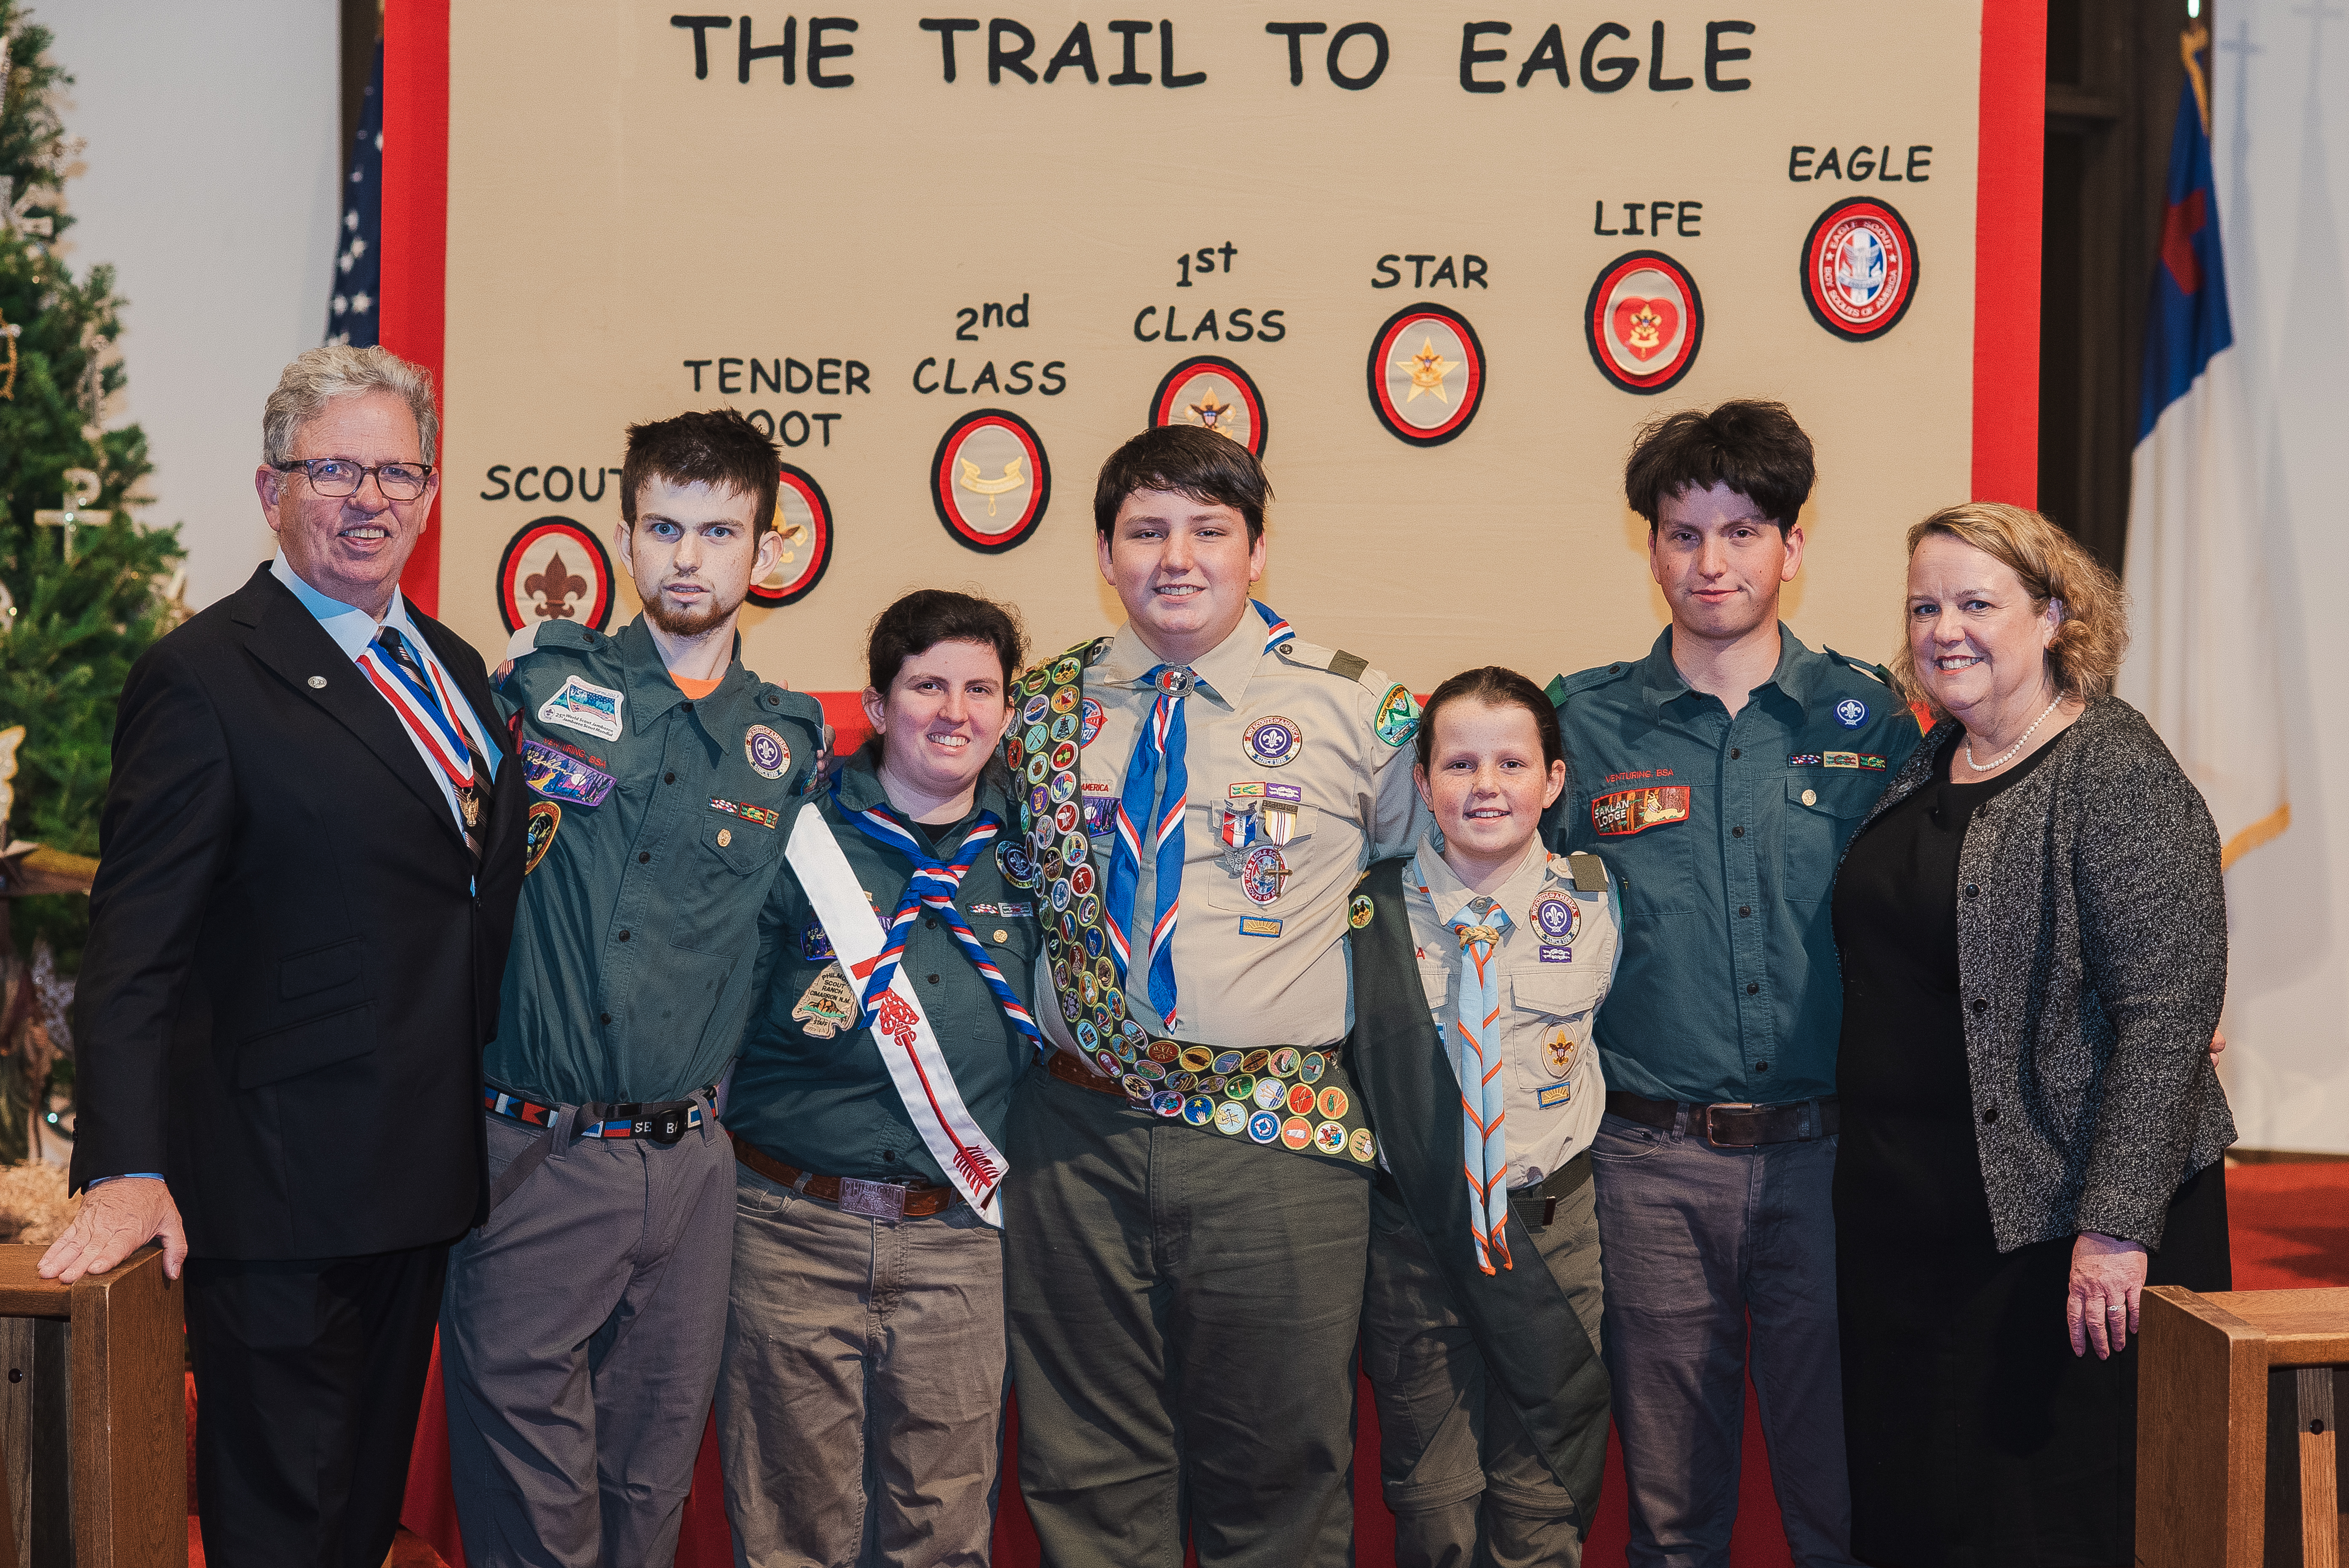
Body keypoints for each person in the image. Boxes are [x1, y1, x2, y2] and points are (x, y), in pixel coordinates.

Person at [42, 346, 524, 1568]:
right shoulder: (203, 677)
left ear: (429, 492)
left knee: (357, 1523)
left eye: (396, 472)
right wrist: (127, 1166)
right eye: (335, 471)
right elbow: (133, 951)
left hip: (417, 1178)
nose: (369, 499)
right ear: (272, 491)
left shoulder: (455, 670)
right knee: (280, 1526)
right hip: (276, 1193)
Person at [1000, 424, 1425, 1568]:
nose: (1174, 558)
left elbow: (1441, 899)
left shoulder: (1364, 713)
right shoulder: (1038, 711)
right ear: (1103, 551)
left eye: (1207, 529)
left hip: (1273, 1142)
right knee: (1084, 1472)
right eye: (1145, 531)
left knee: (1278, 1469)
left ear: (1257, 548)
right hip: (1074, 1138)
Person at [437, 409, 824, 1567]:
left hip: (692, 1170)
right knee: (532, 1505)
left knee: (647, 1491)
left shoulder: (786, 740)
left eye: (720, 530)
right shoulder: (540, 682)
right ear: (624, 536)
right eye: (664, 525)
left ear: (766, 551)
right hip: (537, 1152)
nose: (689, 556)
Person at [1542, 401, 1923, 1568]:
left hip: (1832, 1159)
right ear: (1648, 547)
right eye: (1683, 533)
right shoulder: (1580, 723)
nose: (1712, 563)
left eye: (1743, 531)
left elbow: (1967, 908)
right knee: (1671, 1508)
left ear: (1791, 547)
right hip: (1651, 1163)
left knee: (1844, 1491)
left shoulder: (1871, 718)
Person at [1831, 502, 2234, 1568]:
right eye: (1924, 605)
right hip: (1913, 1221)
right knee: (1932, 1509)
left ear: (2053, 616)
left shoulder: (2111, 766)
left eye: (1975, 602)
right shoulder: (1928, 764)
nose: (1942, 629)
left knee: (2053, 1519)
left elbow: (2167, 1010)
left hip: (2057, 1229)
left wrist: (2114, 1224)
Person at [718, 589, 1040, 1567]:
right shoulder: (795, 837)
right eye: (927, 684)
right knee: (791, 1534)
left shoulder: (1034, 853)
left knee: (942, 1531)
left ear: (1007, 711)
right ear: (877, 701)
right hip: (790, 1228)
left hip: (959, 1236)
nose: (955, 710)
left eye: (980, 687)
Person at [1348, 666, 1622, 1568]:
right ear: (1420, 783)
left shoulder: (1594, 896)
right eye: (1459, 763)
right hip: (1415, 1241)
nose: (1486, 785)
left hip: (1551, 1232)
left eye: (1512, 761)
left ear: (1552, 779)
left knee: (1545, 1492)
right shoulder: (1361, 908)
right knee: (1432, 1505)